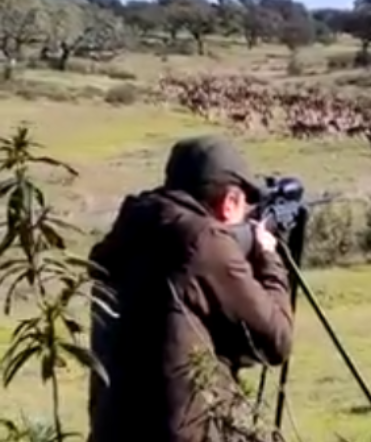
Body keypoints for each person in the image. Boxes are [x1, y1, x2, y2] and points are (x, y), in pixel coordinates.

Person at [86, 135, 295, 442]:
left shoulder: (134, 229)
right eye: (243, 206)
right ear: (229, 203)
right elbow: (277, 340)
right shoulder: (203, 242)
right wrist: (268, 257)